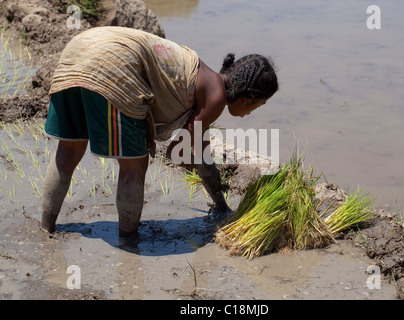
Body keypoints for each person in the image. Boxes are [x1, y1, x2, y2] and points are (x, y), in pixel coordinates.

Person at [40, 26, 278, 237]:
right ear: (247, 98)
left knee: (69, 150)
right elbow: (176, 153)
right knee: (135, 164)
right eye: (259, 105)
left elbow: (201, 152)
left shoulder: (202, 80)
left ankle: (46, 227)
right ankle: (129, 241)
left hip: (80, 49)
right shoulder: (215, 99)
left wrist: (221, 205)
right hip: (114, 64)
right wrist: (191, 162)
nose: (252, 112)